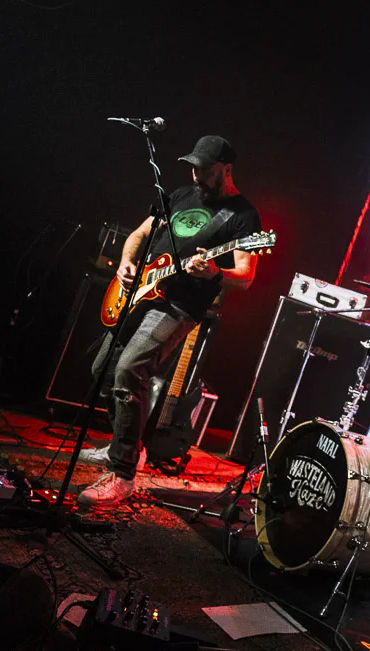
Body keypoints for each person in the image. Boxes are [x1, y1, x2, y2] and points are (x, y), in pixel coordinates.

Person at [77, 135, 261, 507]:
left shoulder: (244, 216)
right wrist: (127, 263)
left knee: (130, 369)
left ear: (226, 170)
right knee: (103, 370)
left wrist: (214, 272)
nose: (196, 175)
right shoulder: (179, 195)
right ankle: (126, 447)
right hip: (142, 290)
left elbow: (245, 275)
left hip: (178, 306)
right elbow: (140, 234)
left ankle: (122, 474)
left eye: (204, 169)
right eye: (193, 167)